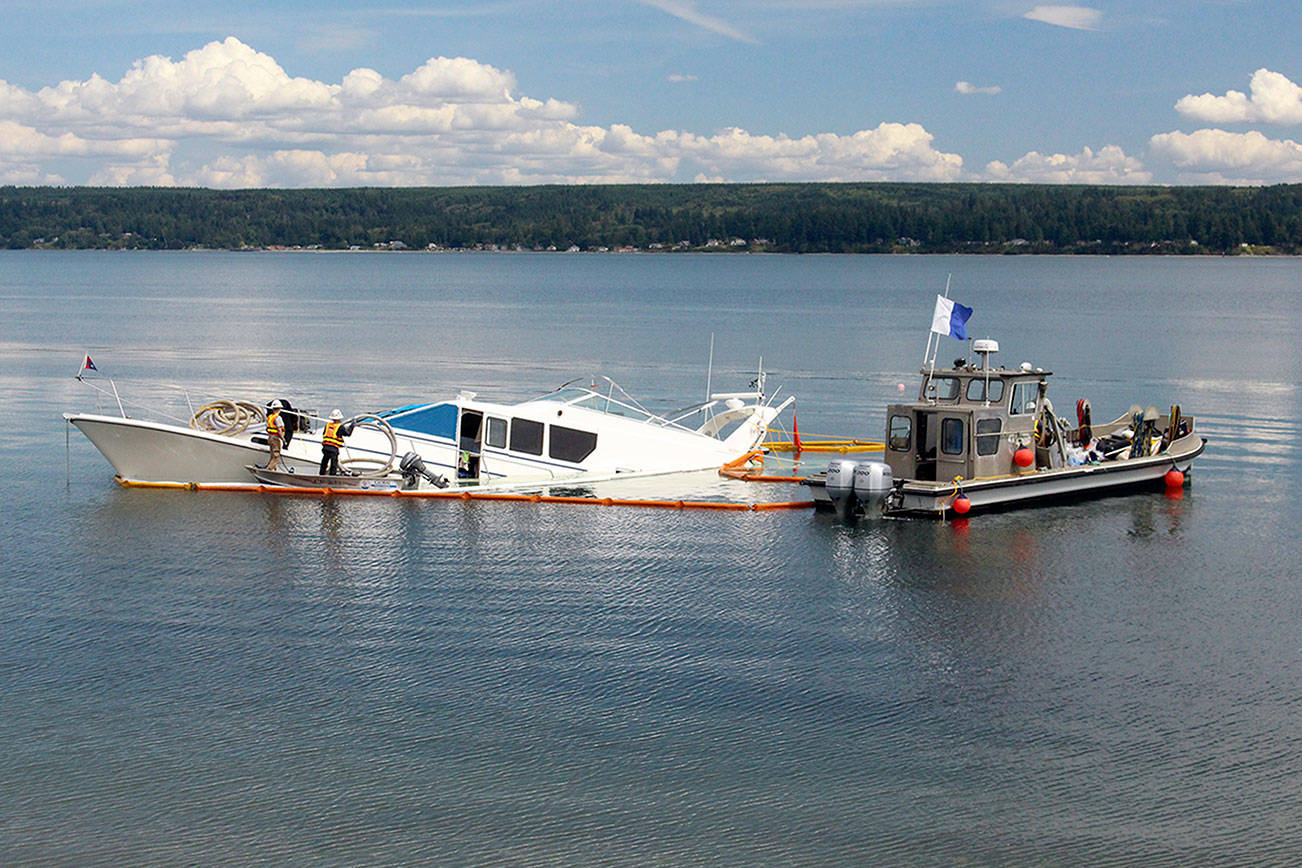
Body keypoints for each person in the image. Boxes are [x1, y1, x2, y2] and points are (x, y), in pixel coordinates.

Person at [319, 409, 355, 475]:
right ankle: (332, 476)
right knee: (333, 464)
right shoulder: (340, 427)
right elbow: (348, 433)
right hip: (333, 449)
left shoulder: (328, 425)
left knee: (324, 462)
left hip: (325, 448)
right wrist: (352, 425)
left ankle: (321, 474)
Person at [264, 399, 285, 470]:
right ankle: (270, 469)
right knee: (276, 455)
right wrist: (283, 439)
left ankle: (273, 469)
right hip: (275, 438)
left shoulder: (270, 417)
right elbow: (279, 430)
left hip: (270, 437)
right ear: (280, 409)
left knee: (272, 455)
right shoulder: (278, 418)